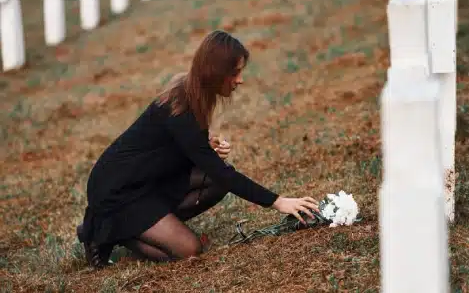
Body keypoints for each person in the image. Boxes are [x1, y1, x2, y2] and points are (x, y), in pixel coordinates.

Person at [76, 30, 320, 268]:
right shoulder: (180, 106)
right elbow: (217, 168)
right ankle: (106, 231)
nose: (240, 80)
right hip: (117, 191)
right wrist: (277, 201)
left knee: (216, 182)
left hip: (145, 182)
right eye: (234, 73)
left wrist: (205, 147)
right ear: (215, 72)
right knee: (189, 250)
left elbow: (175, 149)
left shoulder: (193, 89)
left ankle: (138, 226)